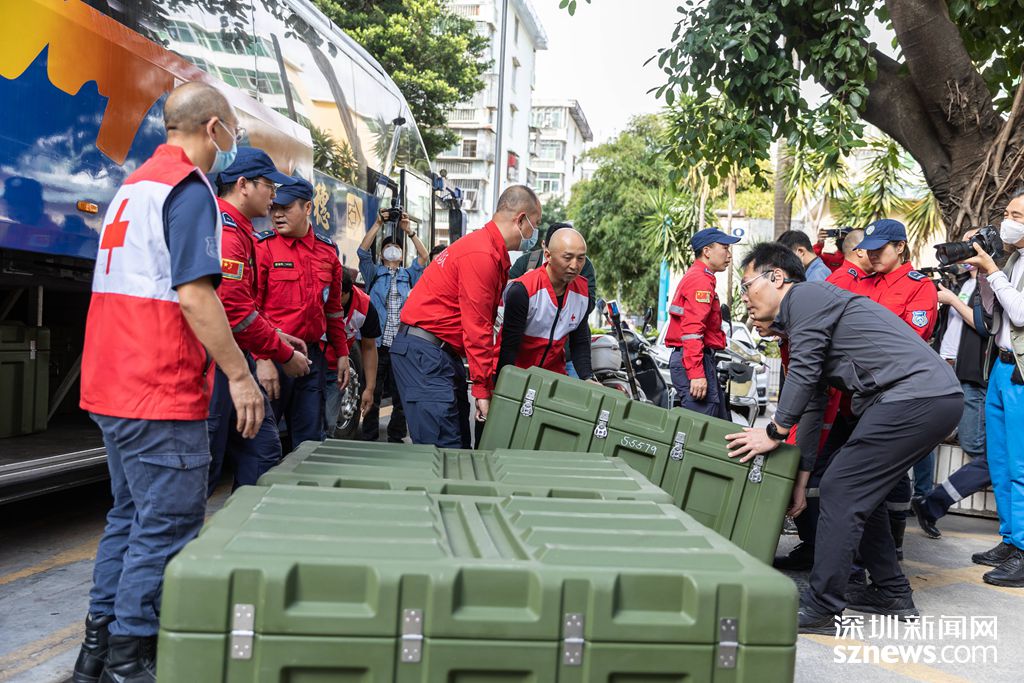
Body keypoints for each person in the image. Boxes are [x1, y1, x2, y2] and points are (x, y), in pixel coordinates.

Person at [73, 83, 264, 683]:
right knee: (167, 528)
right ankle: (132, 661)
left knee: (128, 519)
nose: (235, 140)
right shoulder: (188, 191)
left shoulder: (134, 185)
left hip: (112, 383)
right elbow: (196, 295)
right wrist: (240, 376)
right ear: (214, 128)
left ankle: (94, 655)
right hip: (158, 388)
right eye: (233, 127)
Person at [727, 242, 962, 634]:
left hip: (916, 396)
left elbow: (801, 376)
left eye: (747, 285)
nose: (745, 299)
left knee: (841, 488)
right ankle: (891, 592)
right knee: (854, 492)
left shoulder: (805, 297)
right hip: (926, 398)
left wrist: (773, 432)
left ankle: (823, 607)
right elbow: (814, 403)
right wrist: (802, 480)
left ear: (777, 278)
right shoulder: (804, 315)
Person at [390, 185, 541, 447]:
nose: (533, 235)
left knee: (457, 445)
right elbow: (477, 327)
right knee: (443, 450)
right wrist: (482, 390)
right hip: (426, 354)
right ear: (520, 220)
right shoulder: (482, 254)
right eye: (534, 225)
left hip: (439, 354)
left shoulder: (487, 250)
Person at [206, 148, 309, 496]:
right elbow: (232, 308)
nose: (274, 196)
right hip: (214, 367)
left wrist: (276, 335)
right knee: (201, 472)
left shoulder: (240, 230)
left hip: (234, 362)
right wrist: (279, 352)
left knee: (263, 449)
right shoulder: (228, 232)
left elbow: (240, 305)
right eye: (269, 186)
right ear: (243, 185)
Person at [775, 228, 876, 571]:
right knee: (826, 474)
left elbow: (810, 378)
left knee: (834, 480)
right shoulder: (827, 280)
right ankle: (831, 555)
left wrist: (777, 430)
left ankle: (837, 561)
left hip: (851, 397)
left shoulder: (814, 290)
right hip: (841, 395)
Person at [855, 218, 940, 558]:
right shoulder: (863, 282)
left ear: (900, 247)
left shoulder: (920, 286)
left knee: (894, 469)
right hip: (862, 389)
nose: (872, 256)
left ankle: (895, 542)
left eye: (880, 250)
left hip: (898, 390)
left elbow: (912, 339)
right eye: (869, 250)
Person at [252, 176, 348, 450]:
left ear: (308, 208)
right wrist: (262, 359)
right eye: (274, 208)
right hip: (273, 355)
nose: (277, 214)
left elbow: (332, 310)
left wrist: (341, 354)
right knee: (261, 445)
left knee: (308, 443)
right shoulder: (262, 248)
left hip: (311, 359)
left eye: (286, 208)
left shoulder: (327, 252)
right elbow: (250, 310)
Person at [961, 194, 1024, 587]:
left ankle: (1022, 549)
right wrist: (986, 275)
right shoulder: (1014, 259)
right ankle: (1009, 537)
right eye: (1007, 214)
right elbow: (993, 314)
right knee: (999, 462)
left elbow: (1021, 314)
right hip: (1000, 368)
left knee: (1019, 467)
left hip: (1019, 374)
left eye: (1016, 216)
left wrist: (991, 270)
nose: (1008, 221)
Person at [912, 230, 992, 539]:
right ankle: (928, 499)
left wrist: (951, 300)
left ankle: (931, 501)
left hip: (973, 377)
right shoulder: (966, 283)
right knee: (932, 435)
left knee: (983, 450)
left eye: (973, 244)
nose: (964, 250)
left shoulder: (991, 284)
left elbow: (987, 326)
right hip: (948, 372)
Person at [357, 211, 426, 442]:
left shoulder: (409, 274)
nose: (393, 250)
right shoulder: (374, 273)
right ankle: (369, 436)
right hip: (376, 345)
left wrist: (410, 231)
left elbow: (424, 257)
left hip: (401, 346)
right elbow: (362, 252)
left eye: (397, 247)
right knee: (372, 391)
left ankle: (396, 436)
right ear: (383, 253)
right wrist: (377, 223)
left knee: (401, 395)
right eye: (389, 247)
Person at [497, 227, 594, 379]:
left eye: (580, 258)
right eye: (567, 257)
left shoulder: (582, 292)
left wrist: (588, 377)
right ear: (548, 255)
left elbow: (580, 340)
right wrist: (501, 383)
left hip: (552, 377)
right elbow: (509, 346)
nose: (575, 266)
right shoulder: (523, 290)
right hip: (515, 372)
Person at [664, 227, 739, 418]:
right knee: (701, 430)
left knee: (715, 425)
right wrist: (696, 374)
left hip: (695, 359)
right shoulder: (700, 280)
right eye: (724, 248)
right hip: (694, 361)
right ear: (707, 251)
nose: (729, 255)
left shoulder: (700, 277)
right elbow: (692, 331)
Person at [509, 221, 598, 311]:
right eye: (567, 257)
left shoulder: (584, 265)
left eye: (579, 258)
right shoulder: (526, 262)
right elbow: (503, 289)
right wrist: (523, 284)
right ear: (547, 251)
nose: (573, 266)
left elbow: (588, 303)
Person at [824, 227, 874, 295]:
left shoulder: (858, 277)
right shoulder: (844, 280)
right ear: (860, 251)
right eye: (873, 249)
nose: (877, 254)